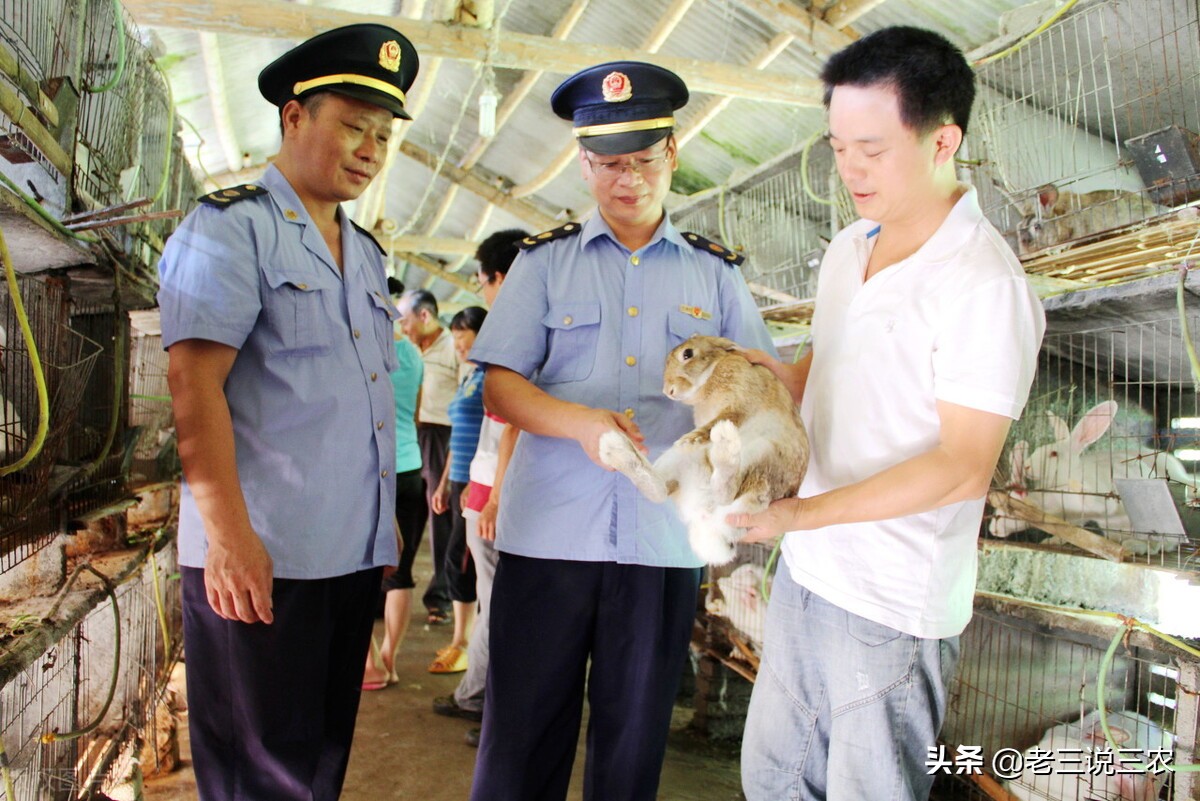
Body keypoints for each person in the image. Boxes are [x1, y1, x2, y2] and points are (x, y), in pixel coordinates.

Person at [731, 27, 1046, 801]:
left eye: (872, 149)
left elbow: (962, 466)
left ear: (943, 141)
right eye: (838, 147)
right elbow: (830, 366)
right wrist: (768, 377)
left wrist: (800, 515)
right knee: (773, 778)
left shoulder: (983, 283)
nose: (850, 169)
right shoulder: (848, 248)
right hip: (807, 571)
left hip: (890, 601)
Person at [466, 62, 776, 801]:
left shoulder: (715, 275)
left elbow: (759, 384)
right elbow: (500, 385)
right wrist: (577, 423)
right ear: (583, 163)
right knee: (520, 739)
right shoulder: (543, 264)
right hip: (549, 538)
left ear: (672, 153)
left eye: (642, 159)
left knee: (632, 746)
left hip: (659, 541)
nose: (627, 179)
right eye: (608, 163)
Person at [157, 24, 419, 801]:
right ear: (294, 116)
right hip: (261, 557)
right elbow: (193, 385)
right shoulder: (230, 228)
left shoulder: (365, 254)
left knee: (316, 763)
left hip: (346, 555)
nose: (370, 150)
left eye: (382, 136)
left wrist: (381, 521)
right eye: (354, 127)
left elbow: (363, 400)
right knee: (258, 771)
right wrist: (229, 537)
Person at [429, 228, 529, 745]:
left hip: (499, 490)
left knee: (499, 604)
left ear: (500, 278)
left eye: (483, 281)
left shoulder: (519, 333)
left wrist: (493, 498)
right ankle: (477, 696)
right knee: (496, 601)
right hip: (490, 486)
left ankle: (489, 705)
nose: (483, 291)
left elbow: (513, 426)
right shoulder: (516, 330)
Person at [362, 280, 427, 690]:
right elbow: (415, 413)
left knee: (362, 570)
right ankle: (391, 658)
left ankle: (370, 664)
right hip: (411, 466)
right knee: (400, 573)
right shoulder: (413, 354)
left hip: (372, 470)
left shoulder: (364, 349)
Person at [426, 306, 488, 673]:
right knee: (458, 560)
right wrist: (444, 482)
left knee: (459, 561)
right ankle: (464, 640)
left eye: (463, 338)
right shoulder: (471, 375)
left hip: (477, 483)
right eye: (456, 339)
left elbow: (493, 436)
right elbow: (457, 437)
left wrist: (476, 483)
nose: (459, 346)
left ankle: (464, 644)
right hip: (460, 481)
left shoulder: (492, 378)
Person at [397, 288, 457, 625]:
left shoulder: (453, 347)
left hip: (441, 435)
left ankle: (441, 595)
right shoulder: (408, 350)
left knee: (440, 516)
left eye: (405, 320)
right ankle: (392, 586)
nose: (402, 327)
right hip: (412, 434)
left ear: (424, 315)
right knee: (409, 517)